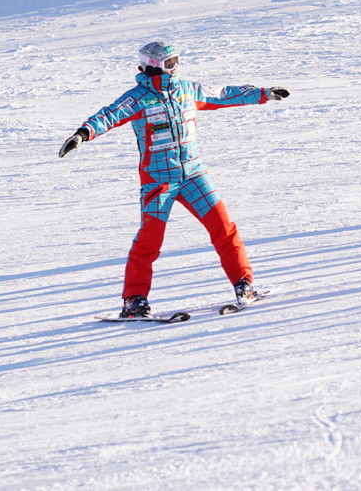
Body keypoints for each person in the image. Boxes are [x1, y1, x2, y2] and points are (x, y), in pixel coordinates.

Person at [57, 41, 288, 318]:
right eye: (169, 63)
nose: (175, 67)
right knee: (149, 241)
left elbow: (223, 94)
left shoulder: (187, 90)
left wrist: (264, 94)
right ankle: (134, 301)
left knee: (224, 227)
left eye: (176, 60)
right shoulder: (139, 98)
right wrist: (82, 134)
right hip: (158, 182)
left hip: (193, 175)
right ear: (153, 65)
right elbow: (108, 115)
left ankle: (244, 286)